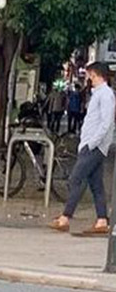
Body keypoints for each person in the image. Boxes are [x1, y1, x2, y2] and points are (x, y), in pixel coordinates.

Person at [51, 61, 113, 235]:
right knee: (96, 184)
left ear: (96, 75)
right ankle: (102, 220)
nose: (88, 79)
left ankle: (65, 217)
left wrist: (92, 143)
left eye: (90, 75)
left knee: (76, 179)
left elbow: (106, 123)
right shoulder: (100, 94)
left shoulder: (105, 95)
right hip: (93, 144)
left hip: (94, 146)